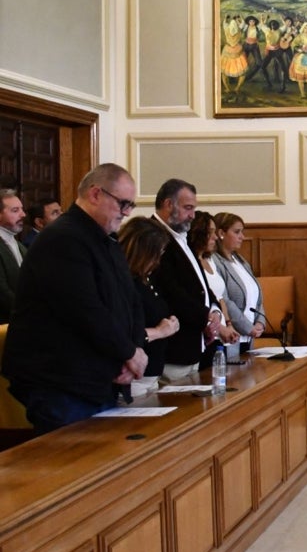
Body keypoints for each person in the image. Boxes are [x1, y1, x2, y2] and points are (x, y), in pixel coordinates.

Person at [1, 164, 146, 433]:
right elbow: (84, 310)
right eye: (123, 204)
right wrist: (127, 353)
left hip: (98, 377)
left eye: (131, 206)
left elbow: (131, 302)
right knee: (75, 470)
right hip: (61, 381)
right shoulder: (62, 239)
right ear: (95, 194)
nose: (126, 213)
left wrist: (134, 352)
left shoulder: (107, 241)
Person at [150, 179, 223, 381]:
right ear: (168, 204)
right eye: (188, 208)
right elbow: (171, 291)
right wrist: (205, 319)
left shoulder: (182, 236)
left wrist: (215, 311)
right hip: (174, 348)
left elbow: (201, 287)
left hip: (195, 345)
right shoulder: (154, 238)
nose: (192, 215)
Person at [118, 217, 181, 397]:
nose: (158, 261)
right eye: (157, 254)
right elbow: (126, 332)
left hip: (152, 375)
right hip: (134, 377)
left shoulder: (147, 278)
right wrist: (159, 331)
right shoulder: (126, 282)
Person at [188, 211, 239, 367]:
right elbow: (196, 301)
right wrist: (220, 328)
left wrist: (228, 324)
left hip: (220, 333)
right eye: (210, 232)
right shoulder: (190, 263)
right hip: (207, 334)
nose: (215, 237)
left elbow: (219, 297)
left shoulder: (209, 259)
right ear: (198, 234)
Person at [213, 211, 265, 351]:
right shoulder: (215, 262)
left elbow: (257, 295)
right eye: (237, 232)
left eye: (242, 232)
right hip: (232, 336)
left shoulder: (241, 261)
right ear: (221, 233)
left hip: (249, 336)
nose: (242, 237)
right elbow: (225, 300)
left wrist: (260, 322)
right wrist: (248, 328)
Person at [0, 189, 26, 323]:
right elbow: (2, 292)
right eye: (15, 210)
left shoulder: (20, 246)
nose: (23, 215)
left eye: (22, 209)